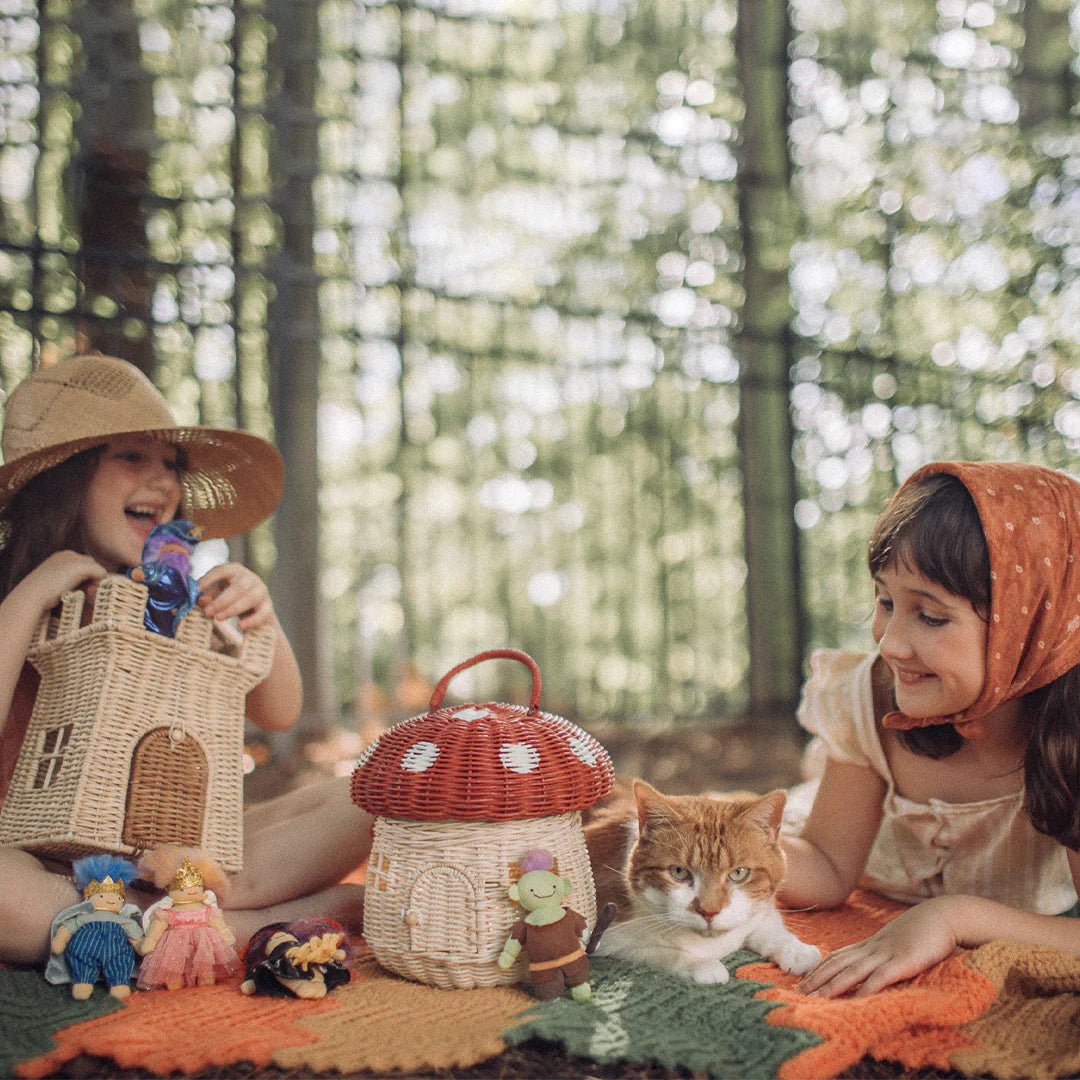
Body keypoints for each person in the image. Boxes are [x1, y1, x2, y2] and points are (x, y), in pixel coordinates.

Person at [0, 353, 373, 966]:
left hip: (171, 855)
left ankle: (214, 905)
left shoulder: (159, 596)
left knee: (370, 793)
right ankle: (250, 922)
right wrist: (44, 585)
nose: (164, 480)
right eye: (131, 456)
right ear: (64, 476)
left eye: (171, 463)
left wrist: (262, 617)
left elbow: (279, 712)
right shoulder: (18, 590)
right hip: (45, 867)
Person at [780, 460, 1080, 998]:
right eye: (886, 602)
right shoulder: (870, 697)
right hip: (862, 859)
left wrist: (951, 918)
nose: (890, 643)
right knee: (787, 803)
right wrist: (717, 852)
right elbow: (826, 865)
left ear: (1031, 621)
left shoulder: (1071, 735)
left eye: (932, 617)